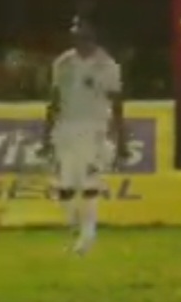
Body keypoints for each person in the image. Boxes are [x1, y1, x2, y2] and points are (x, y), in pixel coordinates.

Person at [40, 15, 127, 255]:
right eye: (75, 32)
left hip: (94, 127)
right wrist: (46, 133)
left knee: (90, 183)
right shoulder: (63, 63)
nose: (77, 36)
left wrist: (120, 138)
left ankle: (88, 236)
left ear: (92, 34)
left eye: (82, 31)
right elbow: (54, 101)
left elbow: (116, 103)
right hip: (66, 128)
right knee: (66, 186)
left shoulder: (107, 65)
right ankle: (75, 225)